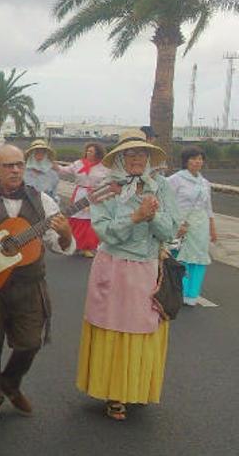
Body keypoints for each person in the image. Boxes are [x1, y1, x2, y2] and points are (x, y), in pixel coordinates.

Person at [76, 129, 179, 422]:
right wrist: (135, 216)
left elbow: (171, 230)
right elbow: (104, 231)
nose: (136, 158)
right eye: (130, 153)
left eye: (141, 153)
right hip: (114, 267)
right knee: (113, 328)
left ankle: (136, 387)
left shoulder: (160, 187)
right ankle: (114, 394)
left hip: (147, 269)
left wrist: (153, 215)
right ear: (119, 157)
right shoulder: (104, 187)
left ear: (149, 157)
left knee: (142, 329)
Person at [0, 145, 75, 425]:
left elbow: (59, 246)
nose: (16, 170)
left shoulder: (42, 201)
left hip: (29, 286)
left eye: (19, 164)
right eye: (8, 165)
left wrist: (66, 234)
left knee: (30, 342)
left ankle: (10, 381)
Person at [168, 146, 216, 306]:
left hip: (200, 225)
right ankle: (179, 291)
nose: (197, 162)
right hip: (183, 224)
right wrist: (176, 223)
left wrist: (212, 228)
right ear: (186, 161)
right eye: (194, 158)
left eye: (200, 158)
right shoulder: (176, 179)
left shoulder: (205, 183)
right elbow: (168, 202)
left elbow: (208, 207)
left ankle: (192, 295)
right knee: (182, 258)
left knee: (199, 260)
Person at [58, 142, 108, 257]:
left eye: (91, 151)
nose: (88, 153)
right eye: (87, 151)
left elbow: (108, 181)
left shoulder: (103, 167)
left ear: (97, 153)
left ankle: (88, 247)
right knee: (75, 219)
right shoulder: (78, 163)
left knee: (90, 221)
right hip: (79, 194)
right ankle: (74, 244)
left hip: (94, 195)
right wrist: (52, 165)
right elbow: (64, 170)